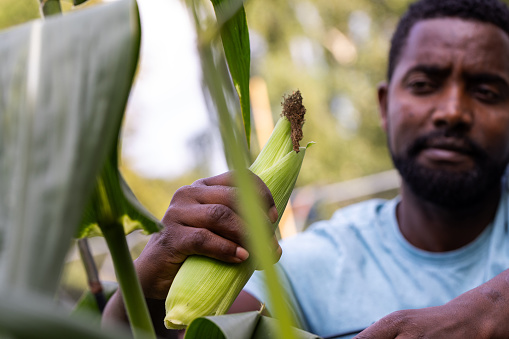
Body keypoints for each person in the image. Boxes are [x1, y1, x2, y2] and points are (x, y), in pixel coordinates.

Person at [103, 0, 509, 337]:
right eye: (424, 85)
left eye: (487, 91)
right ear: (385, 106)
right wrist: (147, 290)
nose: (453, 111)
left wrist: (489, 309)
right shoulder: (313, 265)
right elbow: (195, 328)